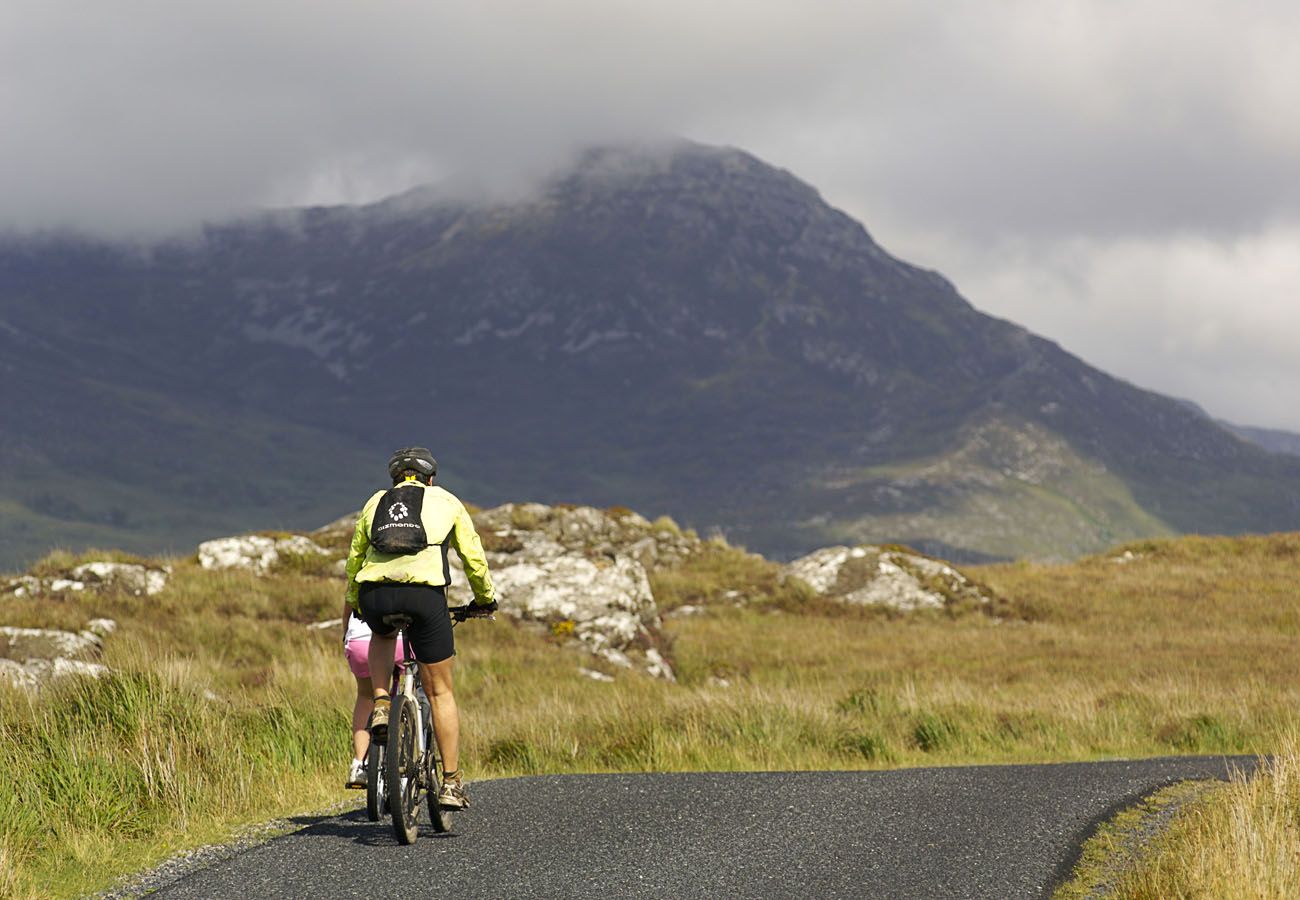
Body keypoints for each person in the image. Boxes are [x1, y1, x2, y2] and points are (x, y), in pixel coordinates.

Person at [345, 447, 497, 810]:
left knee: (382, 634)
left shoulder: (376, 502)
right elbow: (472, 557)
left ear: (396, 480)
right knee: (441, 692)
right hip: (425, 597)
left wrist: (356, 601)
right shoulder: (446, 501)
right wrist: (485, 598)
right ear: (431, 479)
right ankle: (450, 782)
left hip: (375, 593)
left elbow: (355, 557)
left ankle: (382, 704)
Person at [341, 604, 407, 789]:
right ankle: (403, 761)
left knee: (365, 696)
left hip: (359, 640)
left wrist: (345, 633)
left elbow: (349, 601)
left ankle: (359, 764)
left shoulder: (364, 573)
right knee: (413, 691)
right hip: (402, 640)